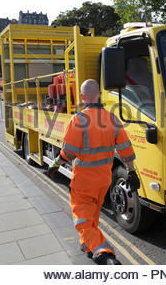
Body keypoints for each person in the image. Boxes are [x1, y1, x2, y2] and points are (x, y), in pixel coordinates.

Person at [48, 79, 139, 265]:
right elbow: (126, 150)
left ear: (82, 97)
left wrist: (55, 163)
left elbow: (69, 152)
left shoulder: (79, 119)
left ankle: (103, 252)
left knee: (81, 219)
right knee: (92, 214)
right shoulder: (113, 119)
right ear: (98, 94)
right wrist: (131, 172)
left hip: (83, 181)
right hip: (103, 180)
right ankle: (87, 245)